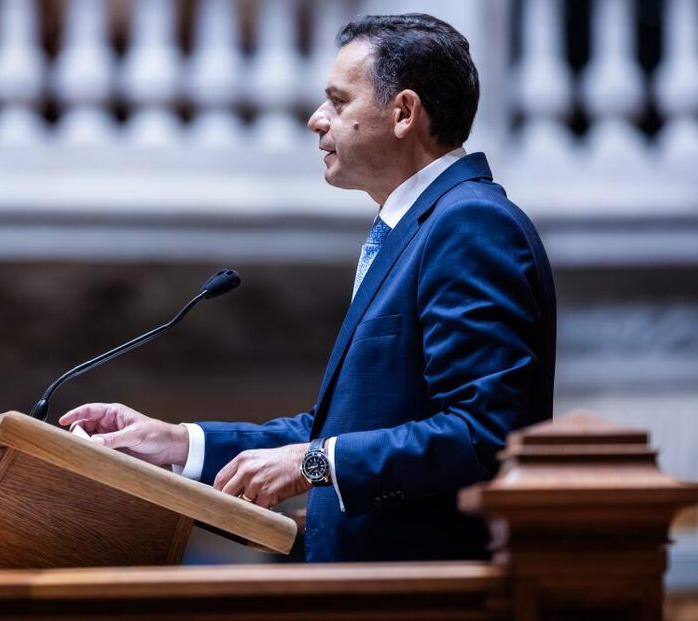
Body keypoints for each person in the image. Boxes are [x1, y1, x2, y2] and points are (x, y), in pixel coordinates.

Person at [59, 13, 556, 563]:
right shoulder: (417, 228)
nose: (317, 120)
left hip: (424, 594)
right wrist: (181, 442)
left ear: (404, 113)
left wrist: (313, 464)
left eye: (339, 102)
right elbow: (337, 429)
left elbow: (483, 432)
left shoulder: (470, 224)